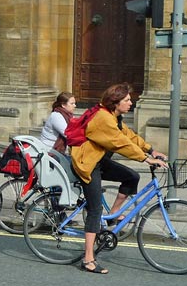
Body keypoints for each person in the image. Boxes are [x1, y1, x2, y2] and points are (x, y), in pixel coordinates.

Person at [71, 83, 167, 274]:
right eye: (127, 100)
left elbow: (129, 136)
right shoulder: (103, 119)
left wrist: (151, 149)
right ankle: (88, 259)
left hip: (98, 160)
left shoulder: (114, 117)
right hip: (87, 164)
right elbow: (121, 143)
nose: (131, 103)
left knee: (131, 177)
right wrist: (146, 159)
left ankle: (113, 216)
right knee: (95, 209)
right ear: (115, 103)